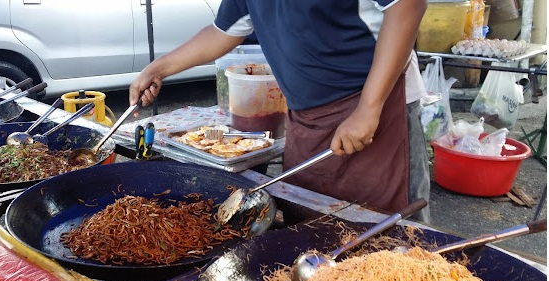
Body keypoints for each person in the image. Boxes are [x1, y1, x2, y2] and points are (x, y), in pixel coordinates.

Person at [130, 1, 427, 215]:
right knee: (307, 219)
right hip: (305, 119)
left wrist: (368, 108)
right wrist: (159, 68)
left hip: (376, 107)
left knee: (387, 233)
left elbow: (407, 6)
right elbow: (224, 32)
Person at [405, 50, 432, 223]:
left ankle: (421, 246)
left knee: (411, 191)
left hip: (399, 97)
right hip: (321, 102)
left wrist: (369, 107)